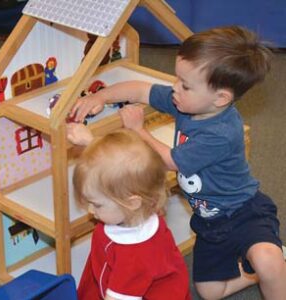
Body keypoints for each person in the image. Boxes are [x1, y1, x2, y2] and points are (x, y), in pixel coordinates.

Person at [68, 25, 286, 299]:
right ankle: (257, 270)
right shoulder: (188, 102)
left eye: (184, 84)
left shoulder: (222, 132)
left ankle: (272, 266)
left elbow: (172, 161)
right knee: (210, 293)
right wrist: (100, 96)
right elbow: (139, 90)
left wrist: (138, 130)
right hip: (210, 222)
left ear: (220, 98)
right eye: (177, 79)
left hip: (243, 212)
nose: (174, 88)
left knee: (267, 260)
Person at [71, 128, 191, 300]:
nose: (91, 211)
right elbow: (117, 167)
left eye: (96, 205)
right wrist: (90, 142)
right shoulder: (140, 207)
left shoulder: (134, 256)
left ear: (132, 202)